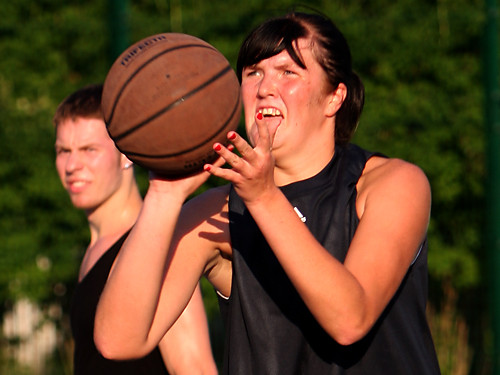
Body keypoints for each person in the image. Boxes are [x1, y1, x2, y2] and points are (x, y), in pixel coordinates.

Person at [95, 11, 441, 374]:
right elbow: (118, 341)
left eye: (288, 72)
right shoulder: (220, 212)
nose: (264, 88)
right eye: (253, 73)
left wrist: (263, 197)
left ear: (334, 97)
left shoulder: (393, 184)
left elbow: (349, 320)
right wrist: (163, 196)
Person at [53, 84, 218, 375]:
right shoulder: (95, 248)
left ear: (126, 154)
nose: (72, 165)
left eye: (89, 149)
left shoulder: (155, 246)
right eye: (63, 151)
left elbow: (195, 368)